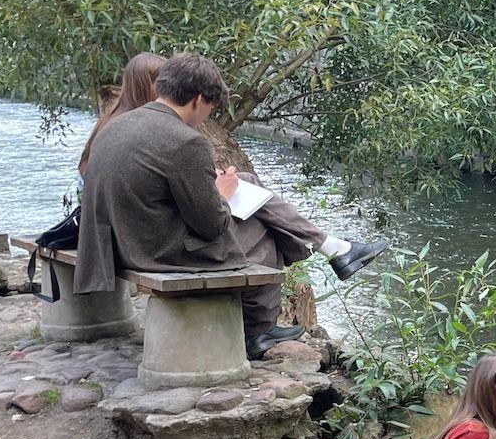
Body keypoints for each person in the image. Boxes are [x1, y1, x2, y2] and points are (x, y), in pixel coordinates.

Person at [76, 51, 384, 359]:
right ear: (198, 99)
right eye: (209, 109)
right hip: (155, 252)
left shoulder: (116, 125)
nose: (206, 118)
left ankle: (332, 248)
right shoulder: (185, 141)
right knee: (263, 232)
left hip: (118, 242)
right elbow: (211, 226)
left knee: (246, 184)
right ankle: (257, 330)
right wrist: (221, 194)